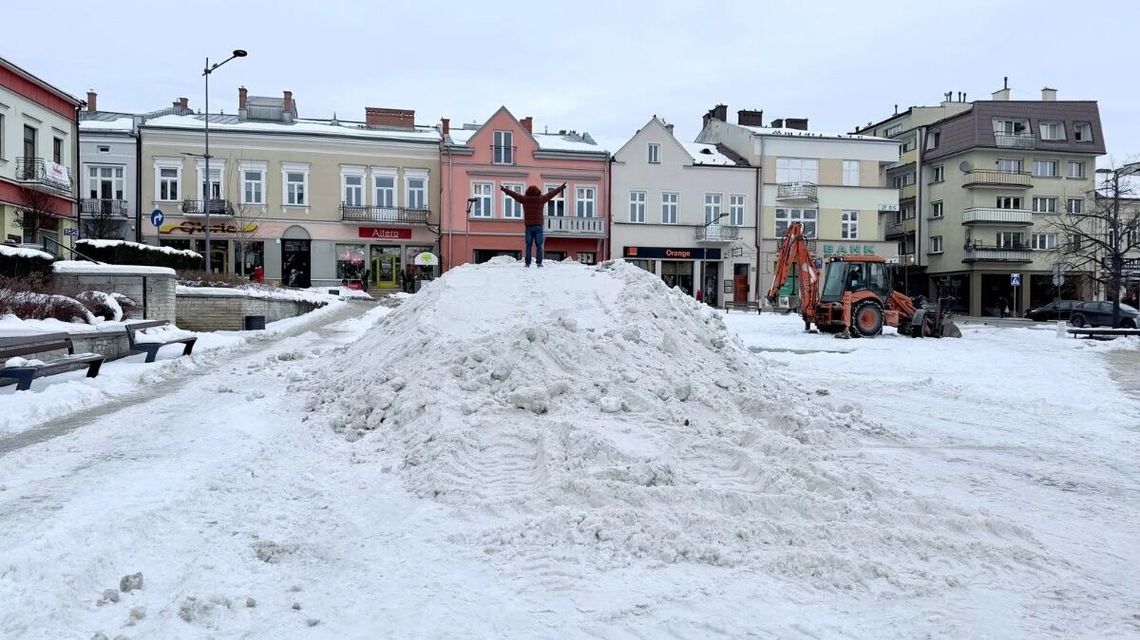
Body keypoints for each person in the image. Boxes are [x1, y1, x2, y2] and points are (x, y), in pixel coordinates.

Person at [500, 182, 567, 268]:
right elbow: (551, 194)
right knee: (539, 245)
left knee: (528, 245)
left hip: (529, 226)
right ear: (537, 191)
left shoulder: (525, 199)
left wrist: (505, 190)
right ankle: (539, 263)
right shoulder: (541, 199)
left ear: (528, 192)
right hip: (538, 226)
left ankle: (527, 263)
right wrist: (560, 188)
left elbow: (515, 195)